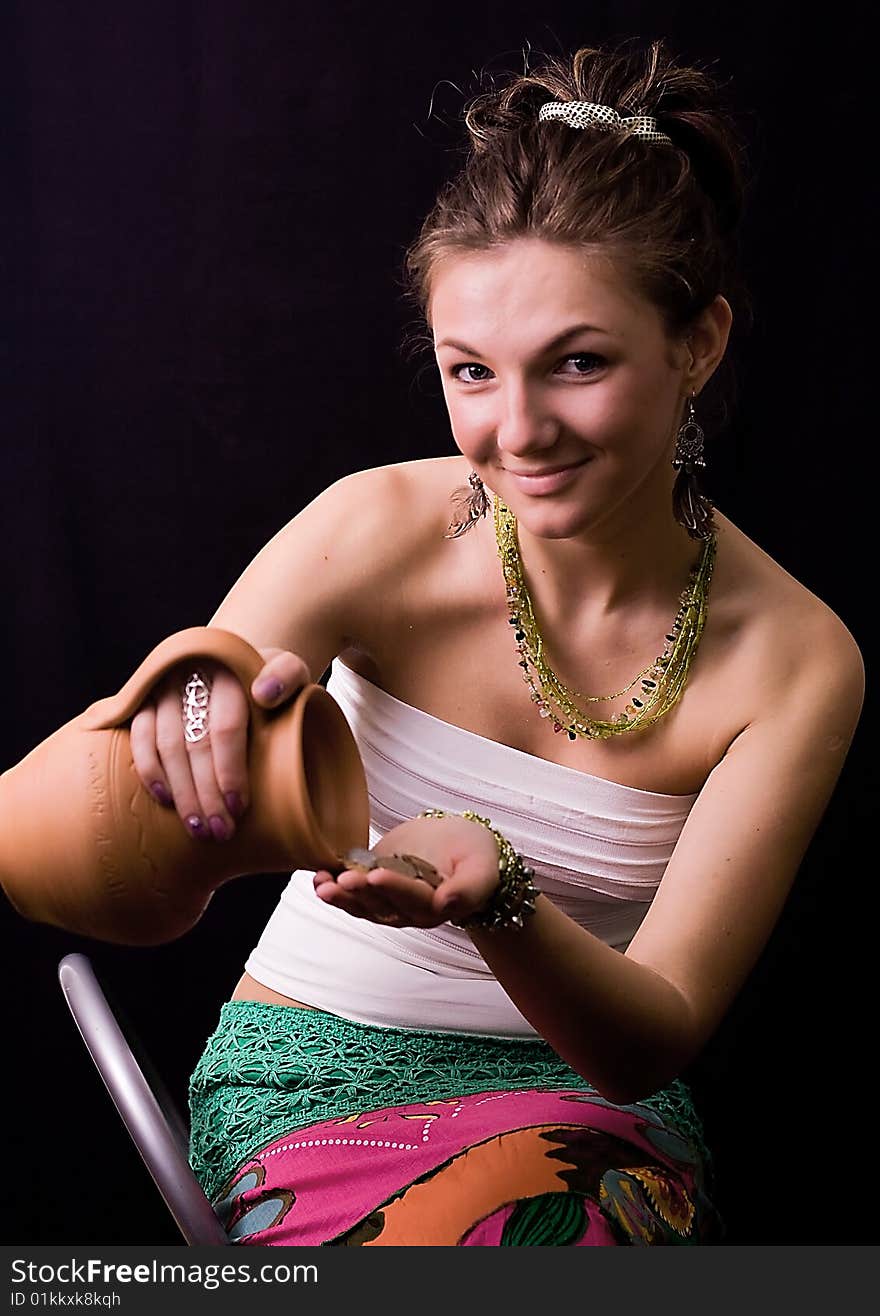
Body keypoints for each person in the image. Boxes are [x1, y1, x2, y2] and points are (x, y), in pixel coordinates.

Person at [129, 38, 863, 1246]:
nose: (516, 431)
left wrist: (498, 893)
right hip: (314, 1070)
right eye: (471, 371)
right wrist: (168, 714)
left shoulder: (795, 658)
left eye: (577, 363)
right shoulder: (373, 527)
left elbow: (654, 1037)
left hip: (589, 1112)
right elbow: (151, 789)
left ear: (698, 343)